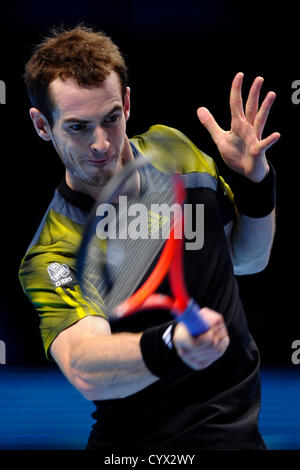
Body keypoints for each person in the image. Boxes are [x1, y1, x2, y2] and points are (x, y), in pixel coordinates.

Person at [19, 25, 279, 452]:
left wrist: (256, 182)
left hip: (238, 436)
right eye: (78, 127)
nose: (101, 143)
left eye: (111, 119)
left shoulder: (176, 152)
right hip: (137, 448)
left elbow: (249, 260)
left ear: (126, 103)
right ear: (42, 126)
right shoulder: (55, 251)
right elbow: (85, 366)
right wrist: (172, 345)